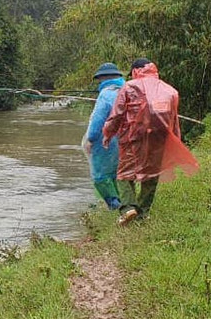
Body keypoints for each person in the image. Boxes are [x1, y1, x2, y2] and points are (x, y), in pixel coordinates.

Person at [103, 58, 199, 226]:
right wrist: (175, 139)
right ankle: (143, 213)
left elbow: (117, 114)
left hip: (133, 138)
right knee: (151, 175)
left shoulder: (130, 87)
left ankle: (128, 208)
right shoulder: (169, 90)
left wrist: (107, 133)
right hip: (159, 139)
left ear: (135, 71)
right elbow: (173, 120)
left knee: (124, 175)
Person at [84, 62, 124, 210]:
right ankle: (124, 204)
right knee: (116, 173)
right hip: (127, 139)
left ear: (104, 78)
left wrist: (90, 139)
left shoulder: (106, 94)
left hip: (107, 141)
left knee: (100, 176)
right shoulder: (128, 90)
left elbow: (98, 120)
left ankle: (115, 205)